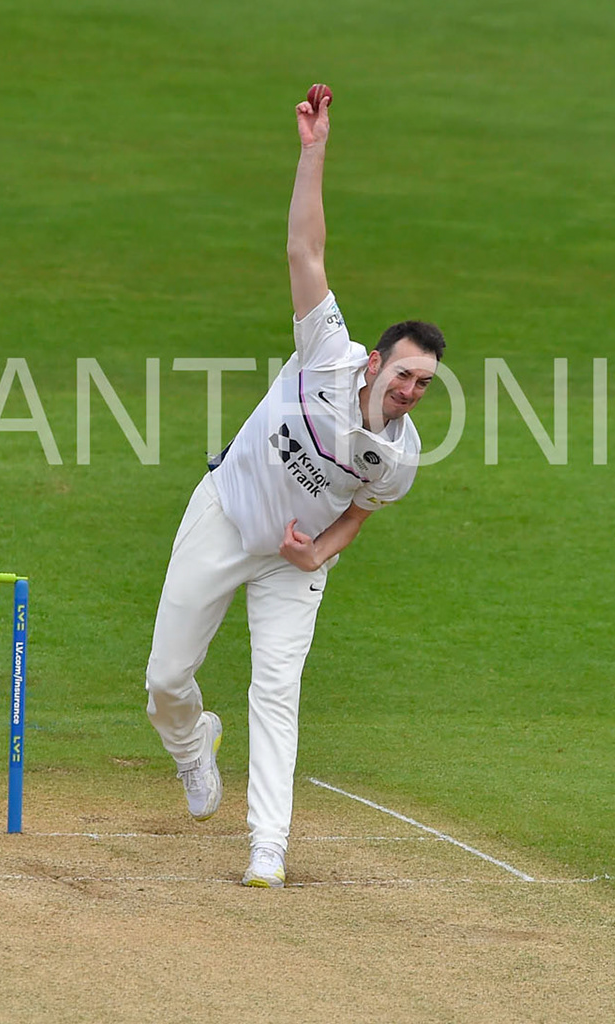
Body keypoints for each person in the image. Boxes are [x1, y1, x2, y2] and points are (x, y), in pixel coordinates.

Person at [143, 86, 447, 887]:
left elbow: (360, 513)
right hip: (227, 514)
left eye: (427, 384)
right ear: (377, 362)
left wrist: (319, 553)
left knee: (276, 690)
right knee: (165, 680)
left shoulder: (402, 457)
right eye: (407, 373)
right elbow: (303, 253)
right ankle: (191, 746)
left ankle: (267, 845)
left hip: (294, 559)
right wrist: (313, 152)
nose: (413, 391)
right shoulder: (327, 350)